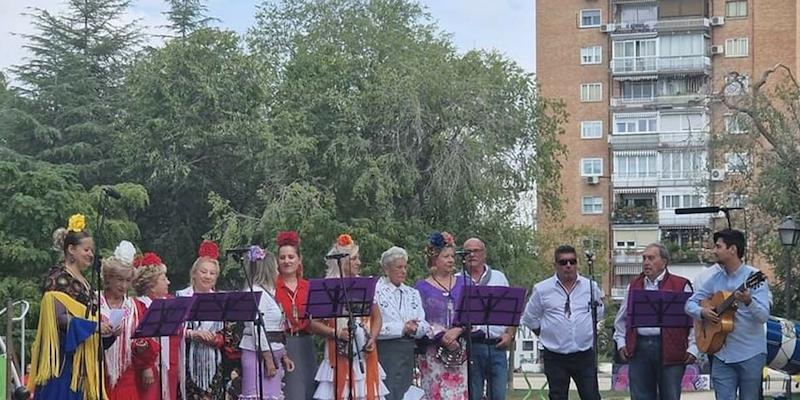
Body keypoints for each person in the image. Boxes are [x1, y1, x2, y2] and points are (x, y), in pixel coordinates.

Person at [28, 214, 117, 400]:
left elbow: (90, 322)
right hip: (62, 362)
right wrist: (94, 327)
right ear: (71, 249)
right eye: (86, 249)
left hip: (84, 364)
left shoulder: (86, 283)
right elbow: (59, 318)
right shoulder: (57, 279)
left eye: (91, 250)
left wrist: (109, 332)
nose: (91, 254)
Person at [685, 229, 770, 400]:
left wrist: (748, 301)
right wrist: (703, 312)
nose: (714, 251)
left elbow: (763, 316)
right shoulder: (716, 279)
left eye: (718, 246)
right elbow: (689, 304)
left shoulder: (754, 278)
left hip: (750, 353)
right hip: (721, 353)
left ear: (732, 249)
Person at [613, 243, 697, 400]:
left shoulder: (681, 285)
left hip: (672, 349)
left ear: (664, 262)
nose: (646, 262)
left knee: (670, 396)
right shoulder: (634, 285)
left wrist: (693, 347)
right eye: (644, 258)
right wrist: (621, 343)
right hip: (639, 348)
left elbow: (693, 319)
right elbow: (622, 318)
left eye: (651, 258)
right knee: (640, 396)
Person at [521, 244, 604, 400]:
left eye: (572, 262)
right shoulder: (542, 289)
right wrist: (546, 334)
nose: (568, 266)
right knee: (557, 396)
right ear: (555, 265)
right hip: (555, 355)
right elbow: (530, 318)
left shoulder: (590, 287)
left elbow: (598, 314)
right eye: (563, 262)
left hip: (584, 354)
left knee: (591, 396)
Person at [313, 234, 388, 400]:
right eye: (354, 259)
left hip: (364, 355)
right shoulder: (328, 287)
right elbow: (314, 323)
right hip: (337, 354)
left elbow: (377, 317)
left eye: (358, 258)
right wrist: (337, 333)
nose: (358, 263)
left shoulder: (364, 285)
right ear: (342, 261)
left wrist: (373, 338)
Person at [177, 239, 241, 400]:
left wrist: (217, 339)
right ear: (194, 273)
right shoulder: (181, 297)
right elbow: (172, 329)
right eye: (203, 272)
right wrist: (192, 334)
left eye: (212, 273)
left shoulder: (221, 300)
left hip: (214, 363)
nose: (207, 276)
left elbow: (230, 336)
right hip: (186, 362)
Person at [457, 237, 514, 400]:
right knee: (473, 393)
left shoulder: (499, 277)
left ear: (484, 254)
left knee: (498, 394)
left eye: (476, 251)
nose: (472, 255)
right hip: (471, 345)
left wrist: (509, 334)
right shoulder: (457, 280)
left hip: (497, 345)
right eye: (468, 252)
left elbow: (511, 312)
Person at [415, 231, 468, 400]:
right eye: (446, 256)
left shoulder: (464, 283)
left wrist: (457, 331)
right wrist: (440, 334)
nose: (451, 260)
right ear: (434, 259)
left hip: (459, 349)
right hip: (433, 351)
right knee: (435, 393)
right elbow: (419, 319)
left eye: (452, 256)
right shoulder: (421, 287)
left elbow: (473, 314)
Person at [239, 245, 295, 400]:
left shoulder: (270, 292)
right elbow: (258, 327)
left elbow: (275, 327)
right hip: (258, 355)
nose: (278, 272)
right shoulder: (256, 292)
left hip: (275, 352)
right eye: (276, 268)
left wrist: (283, 355)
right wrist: (268, 359)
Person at [375, 246, 429, 400]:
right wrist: (402, 328)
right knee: (387, 391)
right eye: (399, 267)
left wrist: (415, 328)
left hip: (407, 351)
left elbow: (424, 322)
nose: (403, 271)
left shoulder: (412, 293)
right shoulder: (376, 292)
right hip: (385, 350)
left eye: (405, 267)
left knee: (405, 392)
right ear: (386, 269)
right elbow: (372, 327)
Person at [274, 231, 322, 400]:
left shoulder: (309, 287)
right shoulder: (272, 288)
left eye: (291, 257)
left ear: (299, 259)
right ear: (277, 262)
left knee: (309, 390)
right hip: (284, 343)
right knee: (291, 393)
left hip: (306, 342)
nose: (287, 261)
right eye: (282, 257)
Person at [132, 252, 181, 400]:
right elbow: (139, 340)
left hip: (167, 367)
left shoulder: (170, 304)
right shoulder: (139, 306)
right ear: (151, 285)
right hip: (149, 367)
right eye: (164, 279)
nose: (168, 282)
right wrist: (146, 365)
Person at [101, 241, 139, 400]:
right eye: (119, 279)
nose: (124, 285)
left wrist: (142, 346)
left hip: (126, 374)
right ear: (109, 278)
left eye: (128, 280)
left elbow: (141, 340)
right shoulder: (95, 301)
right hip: (98, 371)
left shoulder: (134, 307)